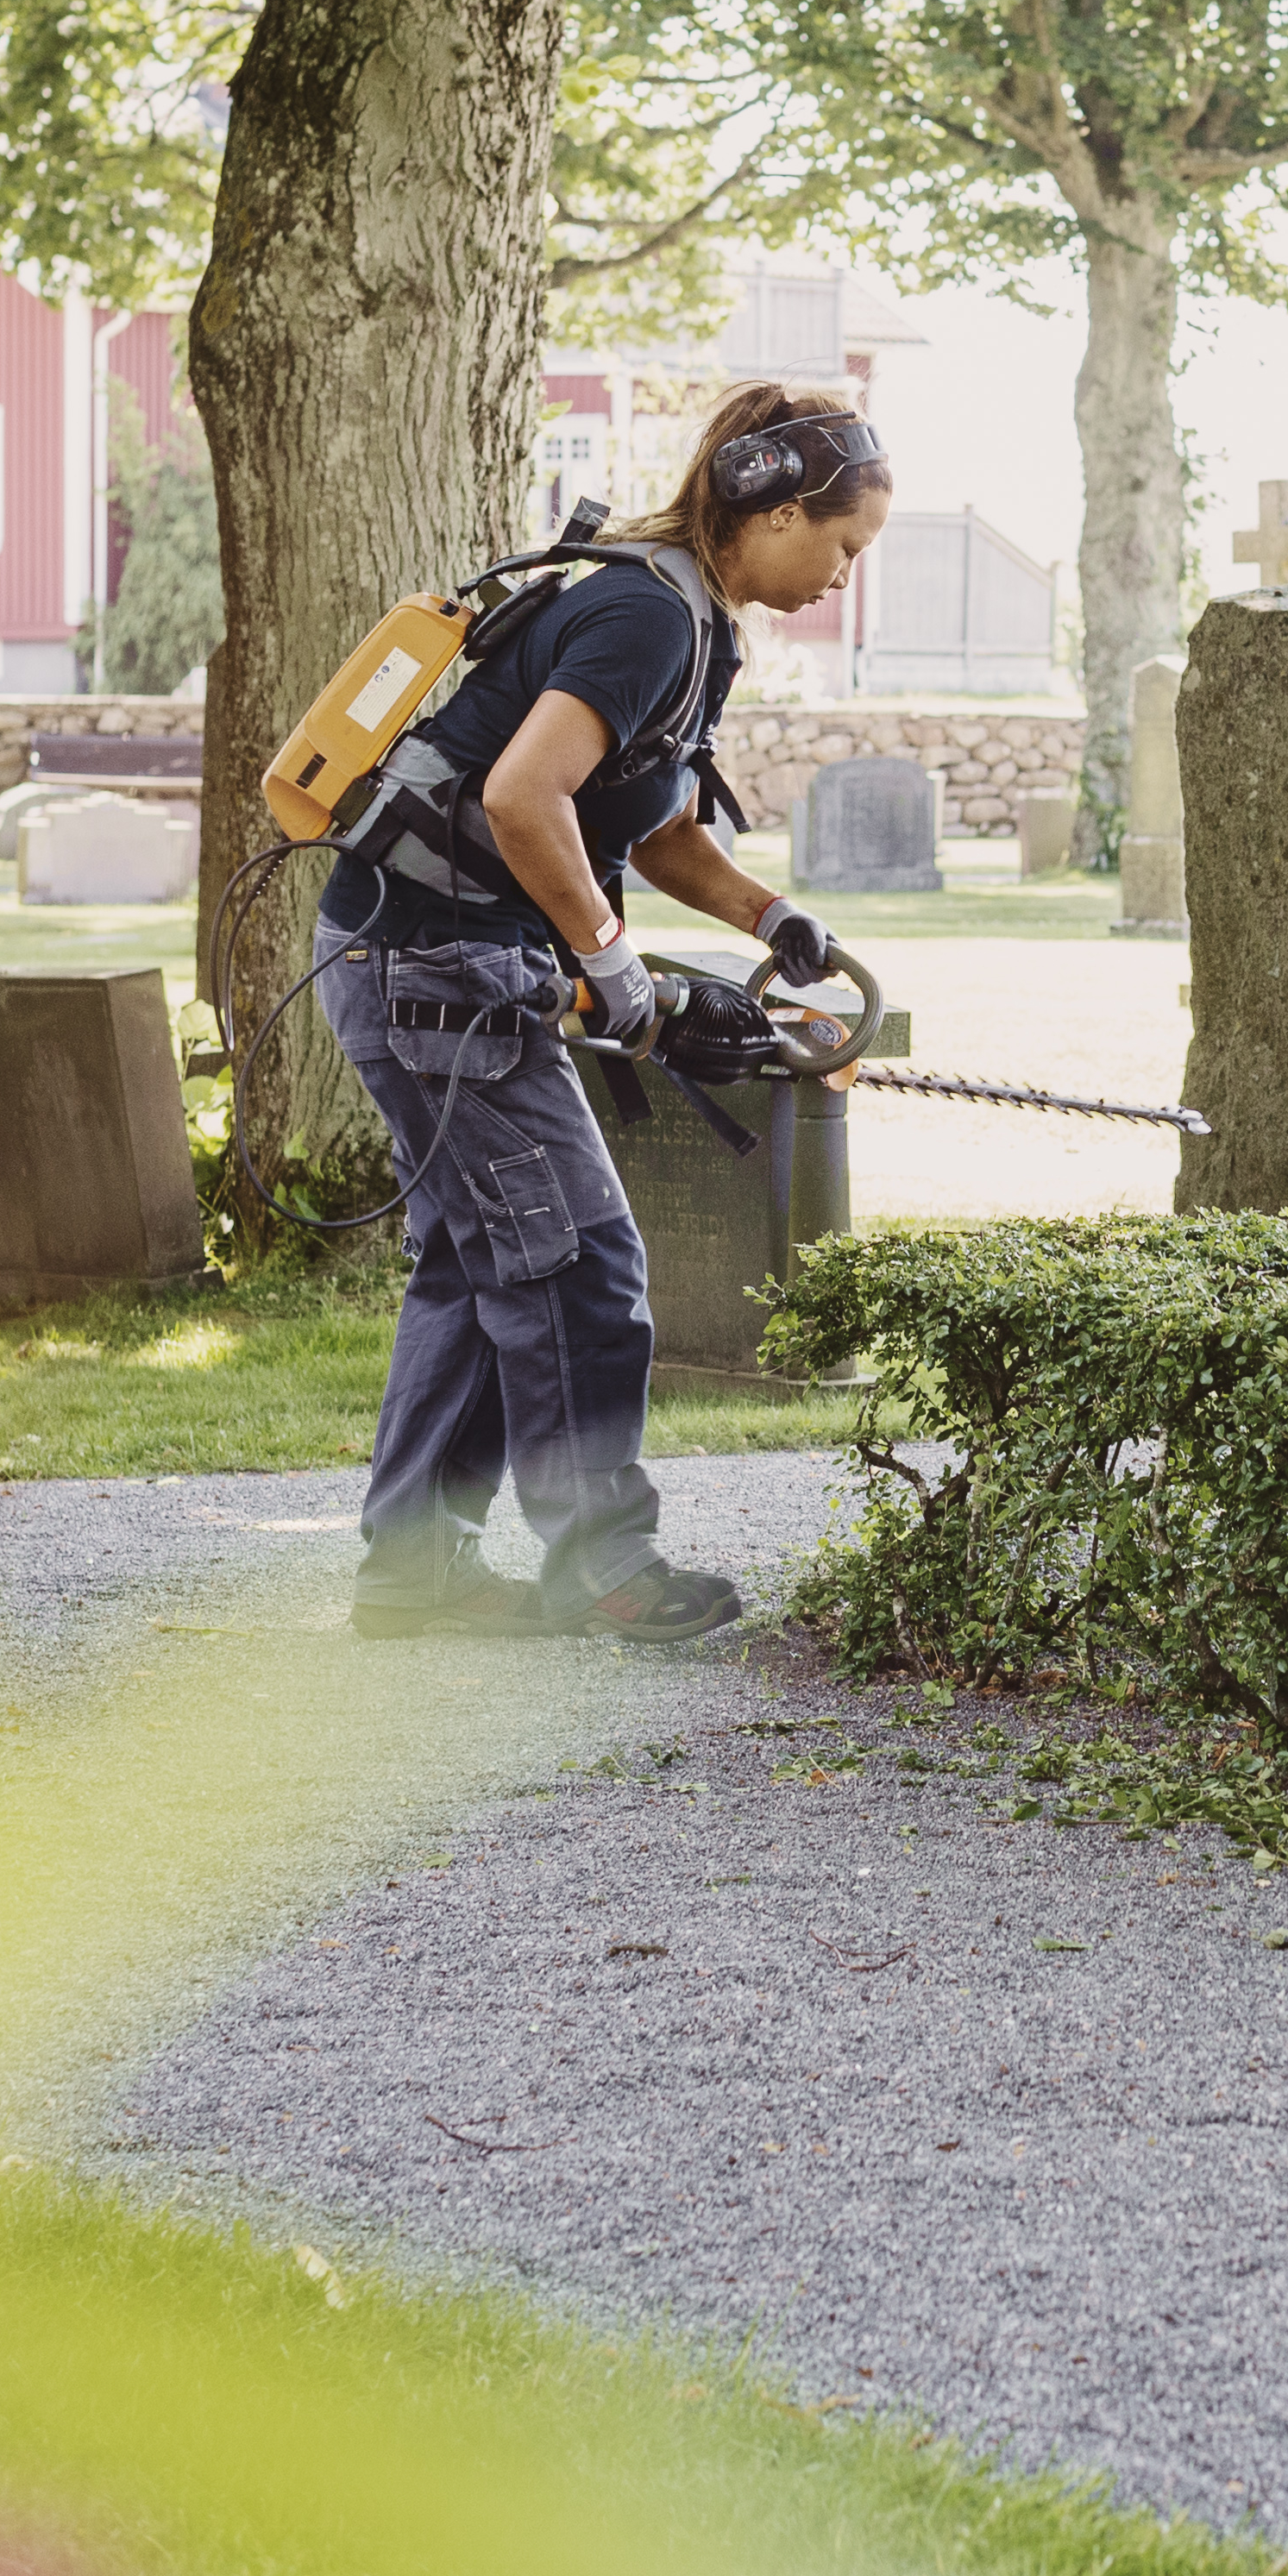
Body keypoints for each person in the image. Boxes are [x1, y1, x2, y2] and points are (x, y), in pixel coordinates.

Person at [311, 381, 892, 1643]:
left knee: (480, 1263)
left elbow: (649, 821)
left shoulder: (691, 619)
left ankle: (414, 1574)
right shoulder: (646, 613)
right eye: (843, 544)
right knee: (575, 1260)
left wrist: (768, 915)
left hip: (418, 958)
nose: (845, 576)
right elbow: (523, 797)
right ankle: (604, 1566)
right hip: (436, 966)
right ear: (775, 511)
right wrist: (613, 963)